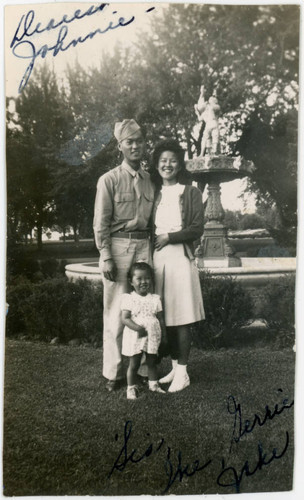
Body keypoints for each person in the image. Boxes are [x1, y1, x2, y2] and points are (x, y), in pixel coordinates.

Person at [93, 119, 155, 392]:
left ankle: (141, 369)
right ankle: (114, 373)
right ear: (120, 146)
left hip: (144, 246)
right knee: (117, 312)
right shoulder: (109, 180)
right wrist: (106, 256)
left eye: (139, 141)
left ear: (144, 144)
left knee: (145, 308)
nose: (135, 146)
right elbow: (101, 223)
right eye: (129, 142)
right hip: (118, 248)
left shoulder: (149, 180)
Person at [151, 139, 205, 392]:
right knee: (167, 315)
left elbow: (196, 228)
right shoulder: (155, 192)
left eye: (172, 160)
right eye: (163, 161)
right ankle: (174, 368)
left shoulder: (191, 192)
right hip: (158, 258)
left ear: (179, 163)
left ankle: (183, 373)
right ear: (157, 164)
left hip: (180, 257)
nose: (167, 165)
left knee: (181, 316)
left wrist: (169, 237)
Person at [121, 262, 167, 400]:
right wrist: (138, 328)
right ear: (131, 282)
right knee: (134, 363)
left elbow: (161, 319)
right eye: (139, 279)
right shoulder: (129, 298)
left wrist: (164, 335)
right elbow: (125, 318)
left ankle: (153, 384)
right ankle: (131, 388)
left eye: (147, 278)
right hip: (135, 335)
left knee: (151, 362)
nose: (143, 282)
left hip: (152, 335)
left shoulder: (155, 299)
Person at [194, 85, 220, 156]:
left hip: (210, 124)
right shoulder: (207, 108)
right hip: (212, 123)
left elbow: (200, 118)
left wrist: (197, 111)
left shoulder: (206, 109)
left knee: (207, 138)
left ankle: (205, 153)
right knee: (212, 137)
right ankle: (211, 152)